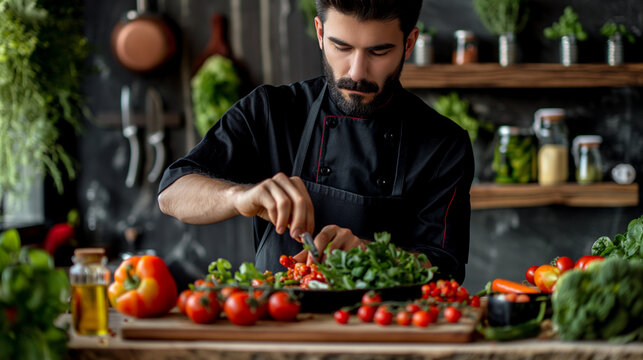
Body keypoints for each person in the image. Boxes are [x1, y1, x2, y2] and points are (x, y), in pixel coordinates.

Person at [158, 0, 474, 283]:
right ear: (320, 33)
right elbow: (172, 194)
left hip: (386, 335)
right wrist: (240, 197)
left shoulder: (444, 144)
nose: (357, 72)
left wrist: (374, 254)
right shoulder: (271, 111)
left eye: (379, 52)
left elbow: (445, 269)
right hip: (280, 331)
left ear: (409, 44)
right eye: (342, 47)